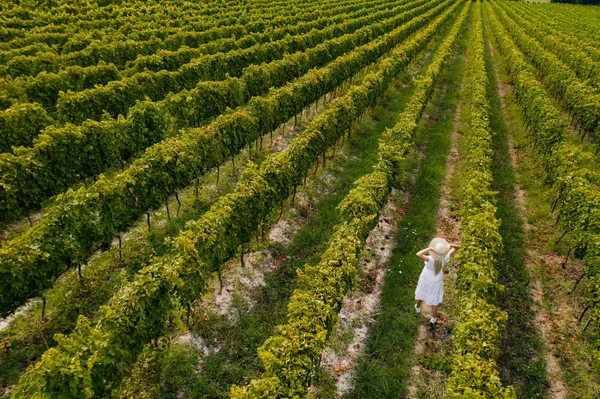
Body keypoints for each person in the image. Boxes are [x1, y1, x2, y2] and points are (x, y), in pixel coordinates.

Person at [414, 237, 460, 329]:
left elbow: (418, 254)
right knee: (435, 300)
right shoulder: (444, 258)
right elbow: (457, 247)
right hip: (436, 281)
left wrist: (429, 249)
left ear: (434, 251)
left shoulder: (430, 259)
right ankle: (433, 318)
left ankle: (418, 307)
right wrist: (450, 245)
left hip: (426, 279)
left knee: (422, 294)